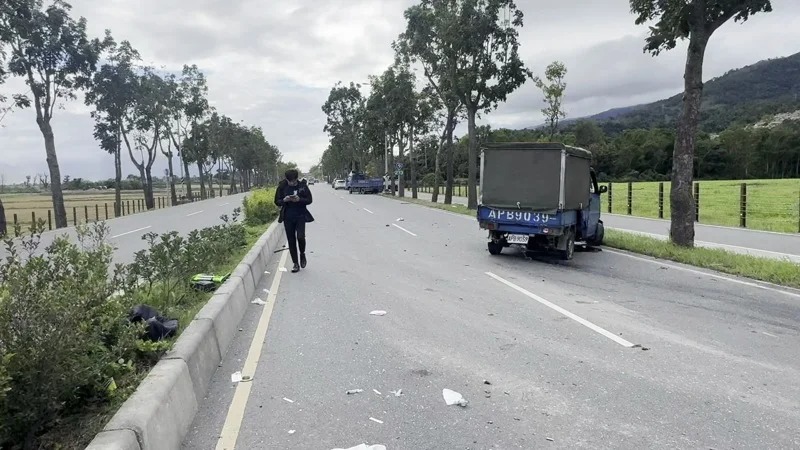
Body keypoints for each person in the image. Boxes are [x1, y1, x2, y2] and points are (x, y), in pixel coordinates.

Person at [274, 169, 314, 272]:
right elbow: (276, 201)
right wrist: (284, 200)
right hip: (288, 216)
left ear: (297, 179)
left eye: (294, 181)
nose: (292, 183)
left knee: (300, 236)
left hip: (300, 215)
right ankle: (295, 263)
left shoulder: (302, 186)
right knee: (291, 240)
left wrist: (299, 199)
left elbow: (309, 200)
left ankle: (302, 253)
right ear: (286, 179)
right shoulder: (282, 187)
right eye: (290, 181)